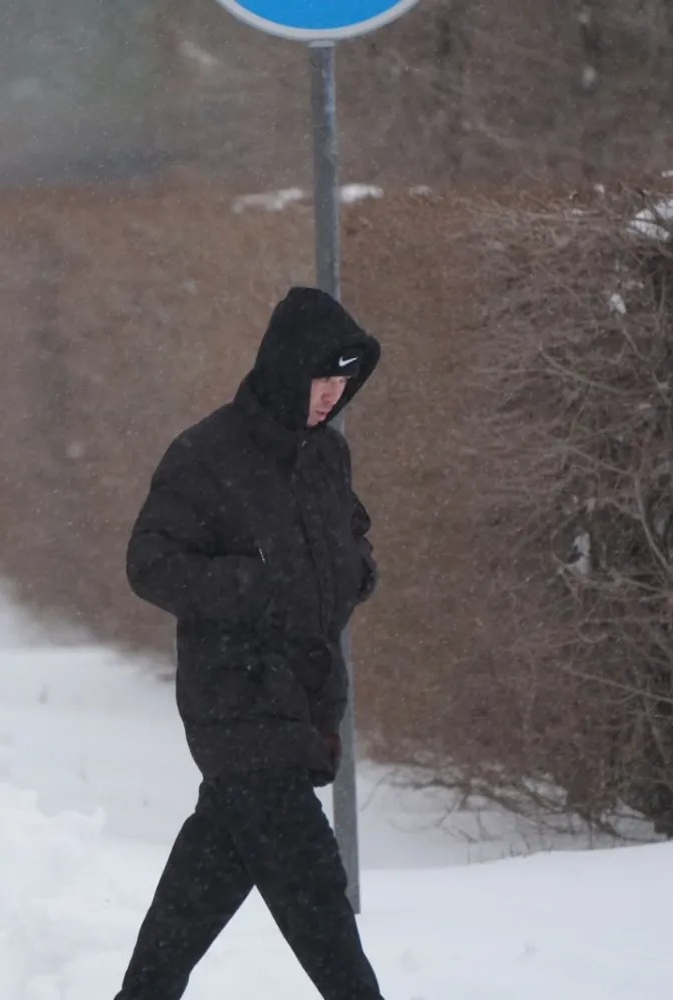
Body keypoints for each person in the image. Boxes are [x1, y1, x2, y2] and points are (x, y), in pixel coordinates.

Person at [112, 286, 385, 1000]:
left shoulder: (327, 458)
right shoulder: (206, 456)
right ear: (287, 369)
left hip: (303, 709)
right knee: (321, 901)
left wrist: (356, 571)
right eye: (322, 379)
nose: (332, 395)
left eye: (343, 382)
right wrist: (251, 588)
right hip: (237, 704)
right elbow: (150, 563)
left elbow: (347, 541)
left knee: (194, 901)